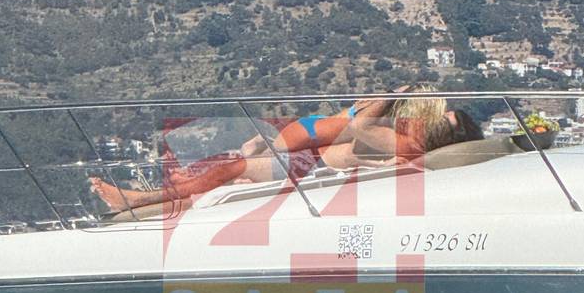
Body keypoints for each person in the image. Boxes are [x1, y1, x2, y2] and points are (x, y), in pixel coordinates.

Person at [90, 85, 482, 211]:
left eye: (444, 122)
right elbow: (346, 125)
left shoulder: (408, 142)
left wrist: (386, 98)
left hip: (311, 169)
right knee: (229, 166)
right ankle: (157, 194)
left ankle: (140, 200)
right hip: (308, 160)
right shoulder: (405, 136)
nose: (435, 119)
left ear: (448, 137)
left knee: (229, 169)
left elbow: (358, 126)